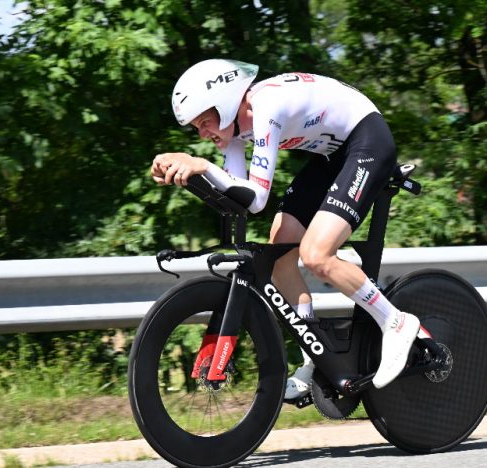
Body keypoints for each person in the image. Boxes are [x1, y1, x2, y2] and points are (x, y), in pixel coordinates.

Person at [151, 59, 424, 399]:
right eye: (196, 128)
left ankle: (395, 322)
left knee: (316, 255)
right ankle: (317, 362)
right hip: (332, 156)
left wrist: (201, 165)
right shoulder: (232, 131)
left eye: (204, 122)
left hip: (367, 142)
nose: (202, 134)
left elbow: (256, 199)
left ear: (226, 104)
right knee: (280, 256)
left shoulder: (267, 107)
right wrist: (188, 174)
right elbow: (236, 196)